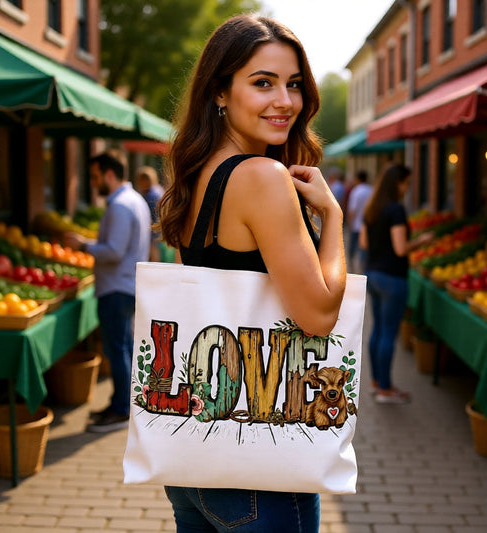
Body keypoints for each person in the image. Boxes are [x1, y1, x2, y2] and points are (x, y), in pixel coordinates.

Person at [157, 14, 346, 533]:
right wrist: (333, 218)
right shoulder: (262, 177)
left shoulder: (197, 174)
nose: (284, 101)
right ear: (221, 91)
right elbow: (318, 313)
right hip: (261, 461)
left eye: (294, 85)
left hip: (193, 452)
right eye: (262, 83)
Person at [64, 150, 151, 432]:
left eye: (95, 176)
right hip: (125, 285)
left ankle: (122, 410)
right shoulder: (133, 200)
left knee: (118, 350)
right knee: (122, 348)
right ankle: (119, 403)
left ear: (109, 174)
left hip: (116, 288)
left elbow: (113, 251)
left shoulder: (120, 206)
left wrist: (83, 246)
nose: (93, 182)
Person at [359, 163, 433, 404]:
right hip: (393, 277)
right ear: (398, 183)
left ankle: (375, 383)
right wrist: (421, 240)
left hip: (373, 274)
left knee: (378, 330)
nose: (408, 187)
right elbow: (401, 248)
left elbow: (364, 244)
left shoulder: (372, 209)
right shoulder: (396, 210)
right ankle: (385, 389)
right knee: (388, 334)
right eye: (407, 183)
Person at [135, 166, 165, 261]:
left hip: (153, 234)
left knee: (154, 261)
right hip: (162, 232)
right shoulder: (159, 190)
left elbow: (149, 217)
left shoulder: (150, 195)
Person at [347, 170, 373, 272]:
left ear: (357, 179)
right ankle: (363, 269)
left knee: (352, 250)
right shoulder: (372, 190)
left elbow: (352, 210)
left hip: (356, 225)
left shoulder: (356, 191)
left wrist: (349, 223)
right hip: (368, 225)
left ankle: (352, 269)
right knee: (364, 249)